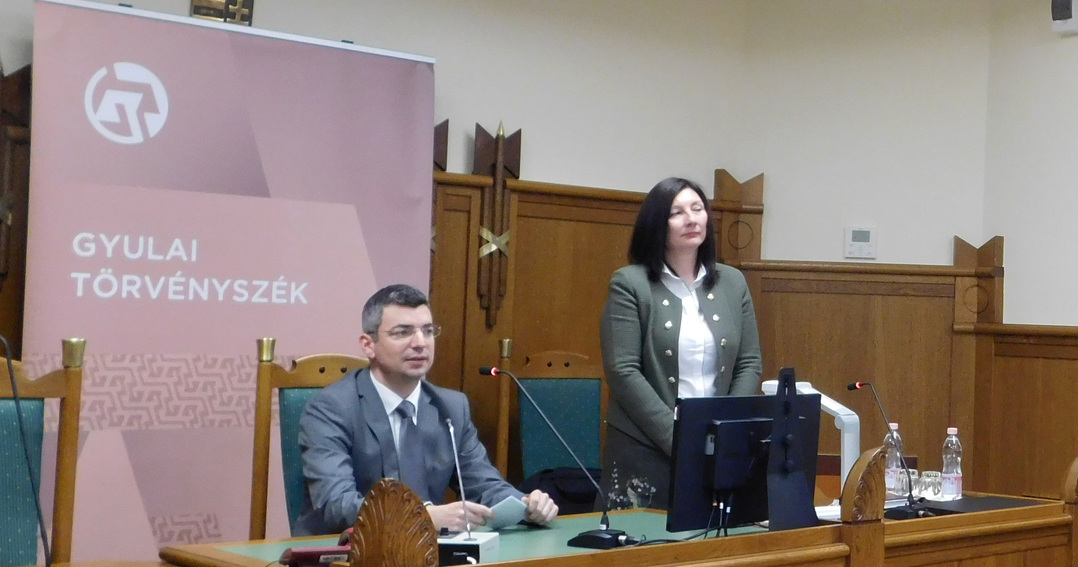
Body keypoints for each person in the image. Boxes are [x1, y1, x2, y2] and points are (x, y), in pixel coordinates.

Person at [297, 283, 558, 536]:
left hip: (429, 552)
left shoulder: (451, 407)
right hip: (345, 553)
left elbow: (484, 484)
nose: (420, 343)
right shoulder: (331, 408)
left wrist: (525, 504)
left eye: (428, 331)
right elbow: (336, 504)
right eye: (403, 332)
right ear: (368, 345)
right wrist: (421, 515)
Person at [601, 178, 763, 504]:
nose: (691, 219)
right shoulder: (630, 283)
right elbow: (622, 370)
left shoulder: (733, 282)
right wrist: (678, 439)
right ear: (656, 224)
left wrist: (728, 432)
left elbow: (749, 362)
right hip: (645, 449)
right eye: (677, 213)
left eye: (697, 209)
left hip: (717, 448)